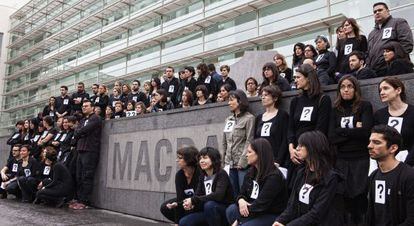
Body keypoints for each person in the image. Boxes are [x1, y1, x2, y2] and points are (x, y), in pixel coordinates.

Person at [329, 75, 374, 225]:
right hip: (341, 159)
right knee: (344, 197)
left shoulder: (364, 106)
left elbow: (366, 133)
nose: (346, 90)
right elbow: (332, 137)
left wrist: (341, 131)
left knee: (359, 197)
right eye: (342, 87)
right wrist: (355, 130)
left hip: (360, 159)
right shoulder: (335, 109)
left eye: (349, 86)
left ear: (355, 89)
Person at [272, 131, 342, 226]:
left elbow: (316, 213)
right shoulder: (302, 172)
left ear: (312, 147)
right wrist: (280, 220)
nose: (297, 148)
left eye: (301, 145)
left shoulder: (331, 177)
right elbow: (292, 205)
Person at [287, 64, 331, 190]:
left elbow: (321, 129)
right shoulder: (295, 101)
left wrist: (304, 150)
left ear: (308, 78)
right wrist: (291, 148)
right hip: (295, 153)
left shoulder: (323, 99)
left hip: (313, 154)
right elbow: (290, 128)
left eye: (298, 77)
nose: (295, 80)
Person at [226, 138, 288, 226]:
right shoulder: (251, 172)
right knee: (231, 210)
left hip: (270, 213)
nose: (246, 155)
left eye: (249, 152)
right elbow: (241, 193)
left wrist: (238, 220)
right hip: (253, 208)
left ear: (260, 154)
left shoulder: (274, 177)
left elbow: (261, 205)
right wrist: (241, 200)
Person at [366, 125, 414, 226]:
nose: (369, 146)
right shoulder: (374, 176)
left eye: (377, 142)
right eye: (370, 141)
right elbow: (372, 215)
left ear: (393, 148)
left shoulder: (409, 176)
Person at [179, 147, 234, 226]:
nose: (201, 161)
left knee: (210, 205)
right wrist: (190, 203)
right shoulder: (203, 176)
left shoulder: (221, 174)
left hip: (223, 211)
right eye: (200, 158)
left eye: (205, 158)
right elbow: (197, 194)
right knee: (184, 222)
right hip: (208, 210)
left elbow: (218, 195)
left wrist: (194, 200)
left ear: (213, 159)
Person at [374, 77, 414, 166]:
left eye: (386, 88)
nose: (381, 92)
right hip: (385, 163)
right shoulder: (379, 115)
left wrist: (406, 164)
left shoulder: (412, 112)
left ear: (398, 90)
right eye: (380, 90)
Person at [366, 2, 413, 77]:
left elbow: (407, 44)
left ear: (387, 11)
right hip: (375, 73)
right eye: (375, 12)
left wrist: (393, 61)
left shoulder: (398, 22)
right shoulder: (372, 34)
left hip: (393, 70)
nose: (377, 13)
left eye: (380, 10)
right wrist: (368, 68)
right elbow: (368, 53)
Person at [70, 100, 102, 210]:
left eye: (86, 106)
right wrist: (79, 132)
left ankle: (84, 201)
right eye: (83, 106)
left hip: (90, 150)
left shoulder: (96, 118)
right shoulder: (83, 120)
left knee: (87, 176)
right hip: (80, 150)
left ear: (92, 108)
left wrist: (79, 132)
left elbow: (83, 130)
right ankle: (79, 199)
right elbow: (76, 132)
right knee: (78, 176)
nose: (84, 108)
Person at [223, 90, 255, 197]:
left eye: (231, 100)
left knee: (243, 193)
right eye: (228, 100)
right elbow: (224, 142)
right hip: (229, 163)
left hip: (242, 164)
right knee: (233, 194)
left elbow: (249, 140)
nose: (229, 103)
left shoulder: (249, 118)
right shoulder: (228, 119)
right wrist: (224, 160)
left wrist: (242, 161)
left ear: (240, 101)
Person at [160, 147, 200, 225]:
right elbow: (180, 198)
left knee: (186, 218)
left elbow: (201, 196)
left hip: (199, 203)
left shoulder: (200, 173)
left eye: (180, 158)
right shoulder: (180, 175)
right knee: (165, 207)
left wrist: (190, 203)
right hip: (185, 201)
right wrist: (177, 223)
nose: (177, 160)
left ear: (189, 159)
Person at [254, 86, 289, 167]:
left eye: (266, 95)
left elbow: (285, 140)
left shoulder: (282, 115)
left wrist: (279, 160)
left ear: (275, 98)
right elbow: (255, 139)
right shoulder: (259, 118)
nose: (263, 97)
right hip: (261, 161)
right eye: (262, 95)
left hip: (276, 161)